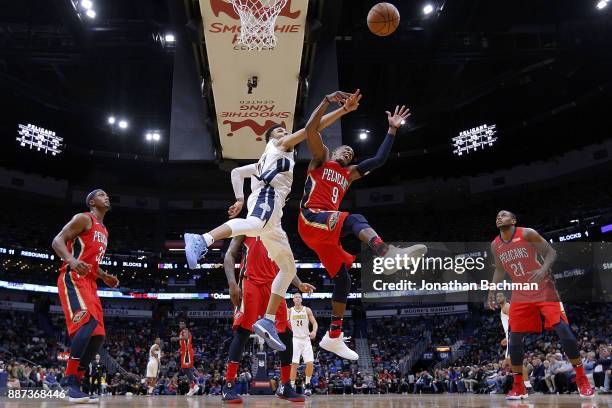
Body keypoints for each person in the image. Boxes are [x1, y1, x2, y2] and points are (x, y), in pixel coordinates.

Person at [184, 90, 360, 352]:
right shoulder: (279, 146)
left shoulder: (263, 160)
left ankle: (266, 321)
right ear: (271, 138)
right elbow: (311, 128)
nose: (283, 133)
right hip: (269, 195)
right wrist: (331, 104)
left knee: (287, 267)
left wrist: (239, 199)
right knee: (254, 225)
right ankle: (202, 239)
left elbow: (235, 172)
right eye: (278, 132)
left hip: (274, 212)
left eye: (283, 132)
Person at [298, 96, 427, 359]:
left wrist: (391, 129)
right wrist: (327, 103)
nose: (349, 153)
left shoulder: (350, 174)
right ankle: (385, 252)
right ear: (333, 153)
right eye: (344, 150)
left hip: (325, 233)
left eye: (352, 153)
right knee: (354, 218)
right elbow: (311, 129)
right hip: (311, 218)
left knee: (343, 279)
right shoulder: (321, 159)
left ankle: (333, 336)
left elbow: (379, 160)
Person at [487, 210, 595, 399]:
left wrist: (544, 269)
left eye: (503, 215)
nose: (499, 217)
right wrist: (491, 290)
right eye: (497, 215)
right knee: (514, 340)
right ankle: (519, 386)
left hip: (544, 288)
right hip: (520, 292)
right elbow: (499, 269)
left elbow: (550, 252)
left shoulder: (527, 233)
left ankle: (581, 380)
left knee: (563, 330)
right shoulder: (495, 244)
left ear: (513, 220)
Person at [221, 235, 315, 403]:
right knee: (243, 332)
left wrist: (299, 283)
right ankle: (228, 385)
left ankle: (285, 386)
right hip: (250, 282)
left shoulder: (278, 231)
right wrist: (232, 283)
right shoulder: (247, 225)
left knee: (286, 333)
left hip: (273, 286)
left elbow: (285, 264)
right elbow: (229, 254)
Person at [52, 189, 119, 403]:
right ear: (92, 202)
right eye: (101, 194)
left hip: (90, 283)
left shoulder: (105, 230)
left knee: (98, 335)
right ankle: (68, 381)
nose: (106, 197)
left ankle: (77, 383)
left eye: (107, 195)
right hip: (72, 278)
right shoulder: (84, 218)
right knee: (87, 323)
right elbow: (57, 241)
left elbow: (92, 264)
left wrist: (105, 276)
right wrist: (71, 261)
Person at [496, 292, 532, 392]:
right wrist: (507, 337)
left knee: (513, 361)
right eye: (497, 296)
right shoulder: (504, 308)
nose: (498, 298)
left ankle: (524, 386)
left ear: (505, 297)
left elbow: (516, 319)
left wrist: (512, 336)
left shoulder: (506, 306)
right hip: (512, 334)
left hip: (514, 333)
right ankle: (526, 386)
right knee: (514, 362)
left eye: (500, 296)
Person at [288, 292, 318, 396]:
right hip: (295, 339)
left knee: (310, 363)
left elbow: (314, 323)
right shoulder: (289, 311)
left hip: (306, 339)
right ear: (293, 299)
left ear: (301, 299)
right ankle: (291, 385)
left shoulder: (307, 310)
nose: (297, 298)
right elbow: (284, 324)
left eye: (299, 297)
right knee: (294, 364)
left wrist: (314, 331)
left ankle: (308, 384)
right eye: (295, 297)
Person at [172, 320, 199, 396]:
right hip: (184, 352)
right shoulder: (182, 332)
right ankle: (192, 387)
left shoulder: (185, 330)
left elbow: (186, 337)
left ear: (185, 324)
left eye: (182, 323)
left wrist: (176, 339)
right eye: (179, 323)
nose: (180, 324)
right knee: (187, 368)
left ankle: (194, 385)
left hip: (187, 352)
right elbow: (184, 342)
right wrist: (179, 350)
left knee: (186, 368)